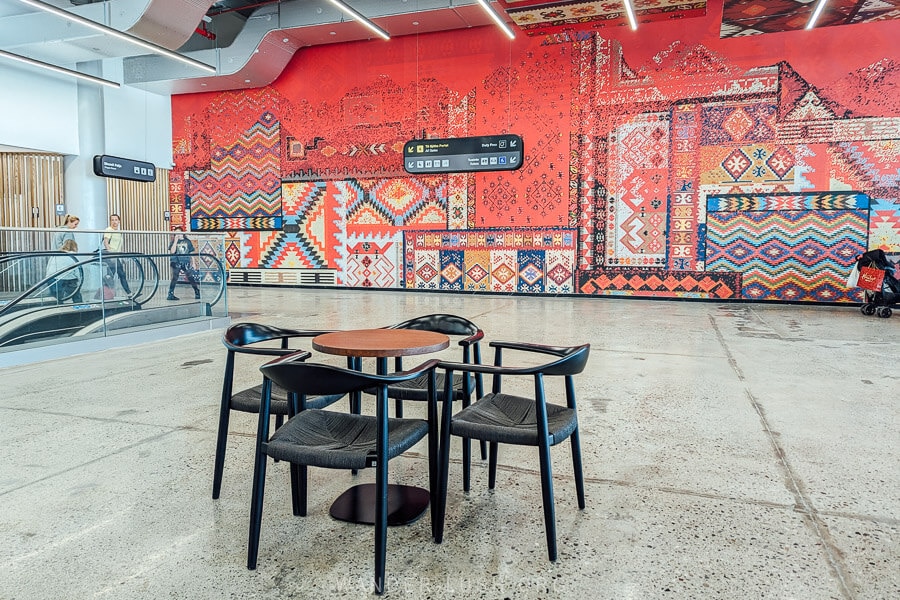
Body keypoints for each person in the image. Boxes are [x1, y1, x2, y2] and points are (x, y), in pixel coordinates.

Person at [101, 213, 132, 296]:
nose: (114, 222)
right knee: (120, 274)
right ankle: (128, 293)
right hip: (111, 255)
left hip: (116, 256)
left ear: (119, 221)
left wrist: (120, 258)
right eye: (112, 220)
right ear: (110, 221)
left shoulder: (118, 232)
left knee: (111, 275)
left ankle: (105, 293)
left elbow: (118, 247)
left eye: (116, 220)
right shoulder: (109, 229)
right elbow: (106, 242)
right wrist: (110, 255)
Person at [167, 226, 201, 301]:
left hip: (185, 261)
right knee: (174, 278)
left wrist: (194, 263)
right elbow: (172, 251)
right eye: (176, 233)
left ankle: (197, 291)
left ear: (182, 233)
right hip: (175, 261)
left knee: (190, 277)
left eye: (179, 233)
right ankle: (170, 294)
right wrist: (175, 241)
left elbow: (191, 252)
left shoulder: (187, 241)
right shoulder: (173, 242)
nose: (178, 235)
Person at [45, 239, 83, 303]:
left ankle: (59, 308)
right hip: (68, 279)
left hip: (52, 278)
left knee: (57, 297)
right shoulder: (74, 256)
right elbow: (78, 271)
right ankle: (80, 307)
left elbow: (49, 267)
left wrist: (47, 278)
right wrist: (79, 281)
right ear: (75, 247)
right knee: (76, 294)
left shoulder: (55, 255)